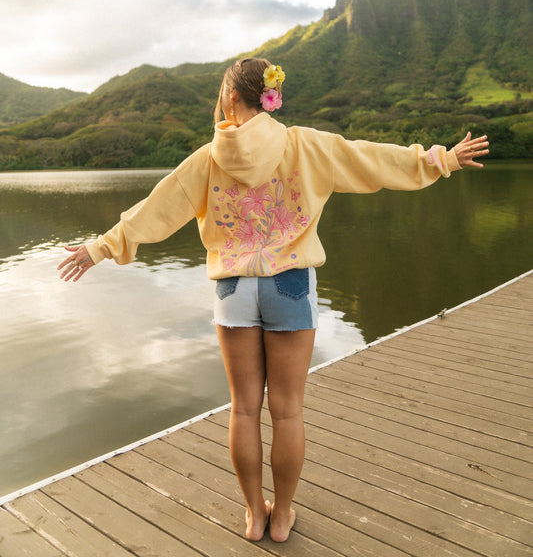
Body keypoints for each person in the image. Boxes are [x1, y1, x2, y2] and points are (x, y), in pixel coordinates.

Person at [58, 57, 489, 542]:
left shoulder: (207, 158)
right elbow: (370, 159)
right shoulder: (304, 144)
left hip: (233, 289)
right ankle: (282, 516)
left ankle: (252, 514)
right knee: (286, 410)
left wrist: (99, 247)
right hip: (291, 285)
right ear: (269, 98)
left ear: (230, 98)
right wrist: (442, 160)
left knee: (243, 409)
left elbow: (157, 208)